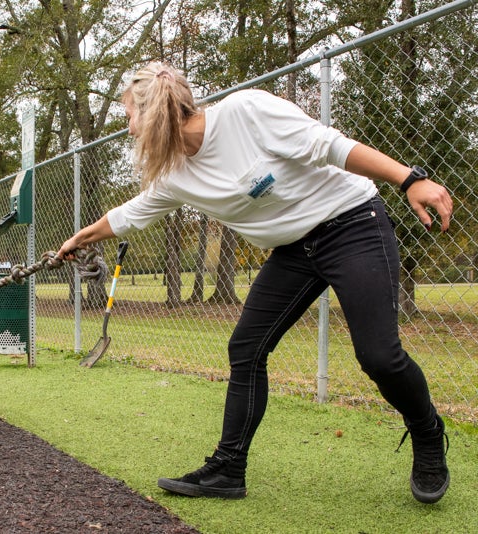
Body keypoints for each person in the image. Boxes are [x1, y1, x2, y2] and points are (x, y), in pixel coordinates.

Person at [57, 62, 452, 504]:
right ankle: (228, 469)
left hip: (351, 225)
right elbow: (133, 212)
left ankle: (428, 432)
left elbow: (330, 146)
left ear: (152, 115)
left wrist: (409, 179)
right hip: (294, 250)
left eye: (129, 117)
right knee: (247, 348)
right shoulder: (174, 175)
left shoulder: (244, 112)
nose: (129, 131)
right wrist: (79, 238)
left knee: (378, 356)